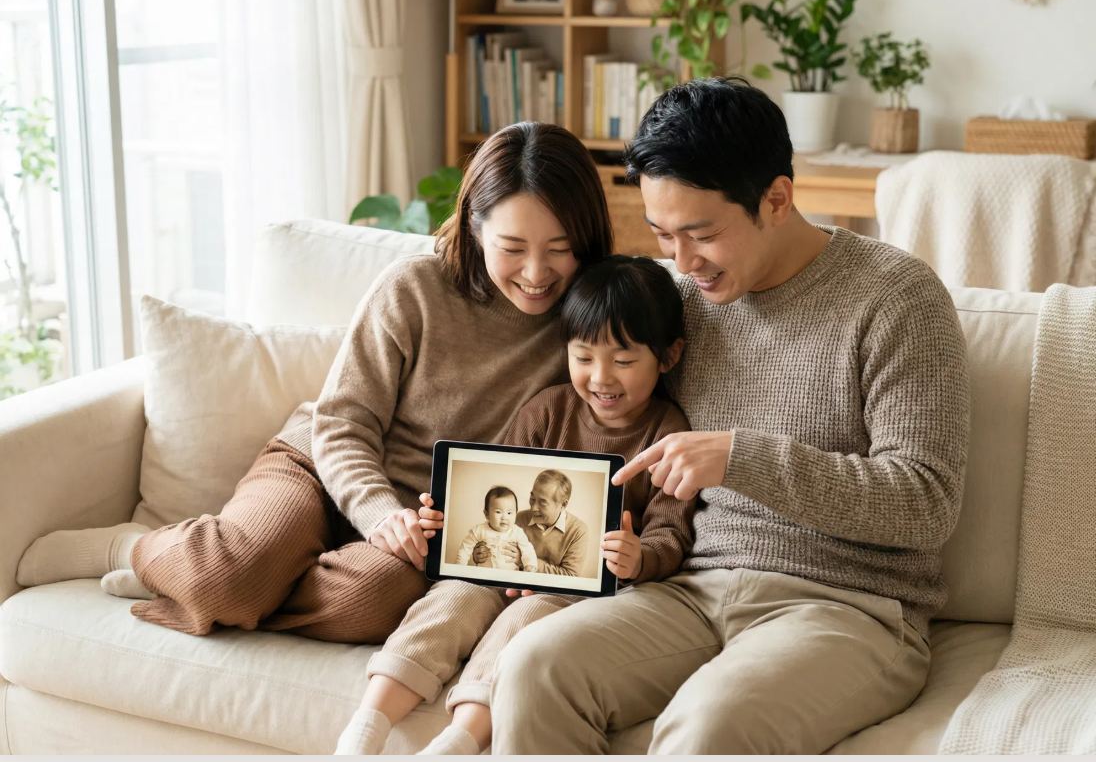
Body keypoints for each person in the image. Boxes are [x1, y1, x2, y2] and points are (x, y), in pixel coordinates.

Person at [490, 77, 971, 754]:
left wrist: (742, 457)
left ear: (776, 198)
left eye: (701, 234)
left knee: (710, 724)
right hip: (690, 590)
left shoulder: (898, 298)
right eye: (663, 235)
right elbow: (597, 410)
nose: (683, 263)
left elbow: (926, 502)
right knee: (532, 667)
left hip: (848, 608)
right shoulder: (682, 306)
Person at [14, 121, 613, 645]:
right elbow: (343, 422)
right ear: (475, 228)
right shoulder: (417, 288)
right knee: (230, 576)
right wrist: (377, 510)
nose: (537, 274)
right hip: (323, 466)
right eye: (512, 248)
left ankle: (240, 577)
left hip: (422, 530)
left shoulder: (594, 324)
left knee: (372, 603)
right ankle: (139, 550)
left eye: (559, 250)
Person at [334, 254, 696, 755]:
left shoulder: (668, 433)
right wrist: (445, 518)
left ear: (669, 356)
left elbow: (671, 533)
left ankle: (456, 744)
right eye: (583, 357)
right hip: (498, 565)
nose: (601, 377)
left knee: (524, 629)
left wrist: (640, 556)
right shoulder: (547, 410)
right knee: (451, 600)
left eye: (625, 360)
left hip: (574, 591)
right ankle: (364, 729)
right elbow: (494, 485)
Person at [455, 486, 537, 571]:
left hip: (510, 575)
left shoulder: (517, 532)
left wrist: (530, 565)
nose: (504, 517)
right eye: (498, 512)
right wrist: (459, 568)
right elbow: (465, 549)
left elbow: (528, 550)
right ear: (487, 514)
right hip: (483, 574)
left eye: (509, 513)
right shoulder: (479, 530)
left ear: (516, 513)